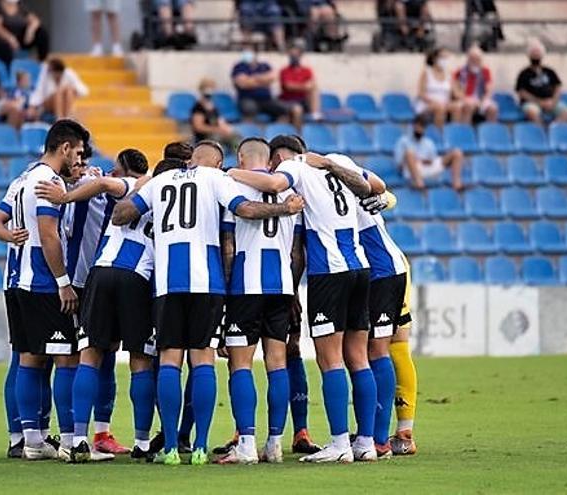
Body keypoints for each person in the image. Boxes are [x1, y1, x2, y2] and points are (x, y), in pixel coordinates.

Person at [111, 141, 305, 466]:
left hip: (168, 283)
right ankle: (201, 447)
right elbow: (245, 209)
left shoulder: (160, 181)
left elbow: (120, 215)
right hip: (209, 282)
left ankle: (171, 448)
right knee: (205, 360)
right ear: (217, 163)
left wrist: (143, 188)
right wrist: (284, 209)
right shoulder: (217, 179)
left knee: (170, 360)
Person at [226, 135, 386, 463]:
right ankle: (366, 442)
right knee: (359, 357)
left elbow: (271, 182)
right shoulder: (340, 159)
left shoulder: (293, 169)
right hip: (360, 266)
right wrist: (329, 164)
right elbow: (378, 186)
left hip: (329, 271)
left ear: (283, 156)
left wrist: (230, 173)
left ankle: (340, 443)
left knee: (331, 361)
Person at [35, 149, 155, 463]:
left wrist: (64, 196)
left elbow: (105, 188)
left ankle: (78, 441)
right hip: (137, 275)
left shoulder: (136, 186)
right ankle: (142, 444)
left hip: (99, 273)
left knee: (90, 355)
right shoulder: (167, 192)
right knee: (140, 359)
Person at [0, 119, 91, 461]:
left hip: (15, 281)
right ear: (64, 148)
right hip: (43, 282)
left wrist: (11, 237)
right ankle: (72, 440)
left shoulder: (22, 179)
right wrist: (64, 283)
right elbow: (49, 235)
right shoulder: (48, 181)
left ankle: (30, 439)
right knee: (67, 358)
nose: (79, 158)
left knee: (27, 358)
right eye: (76, 152)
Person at [213, 138, 301, 465]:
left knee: (241, 365)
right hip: (280, 284)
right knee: (277, 363)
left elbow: (228, 247)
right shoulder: (290, 192)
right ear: (270, 160)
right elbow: (296, 251)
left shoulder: (233, 186)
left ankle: (246, 444)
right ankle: (275, 443)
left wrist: (222, 296)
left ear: (240, 157)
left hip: (246, 284)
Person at [355, 189, 419, 456]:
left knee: (395, 345)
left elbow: (383, 193)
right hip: (369, 271)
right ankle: (373, 432)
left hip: (385, 270)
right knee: (373, 350)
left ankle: (403, 433)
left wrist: (385, 199)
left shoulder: (329, 176)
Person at [232, 48, 302, 127]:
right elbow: (242, 84)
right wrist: (263, 81)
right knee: (249, 110)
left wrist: (251, 79)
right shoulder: (239, 67)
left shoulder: (264, 66)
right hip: (247, 99)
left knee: (286, 111)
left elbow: (272, 78)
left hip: (266, 99)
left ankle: (278, 132)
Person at [395, 114, 464, 190]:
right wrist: (415, 161)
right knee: (409, 153)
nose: (419, 129)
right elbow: (399, 164)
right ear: (413, 126)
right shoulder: (403, 141)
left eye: (422, 126)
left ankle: (457, 184)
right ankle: (419, 183)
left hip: (428, 168)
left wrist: (426, 161)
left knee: (457, 153)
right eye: (418, 126)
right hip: (412, 170)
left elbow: (433, 160)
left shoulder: (428, 143)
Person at [515, 39, 567, 125]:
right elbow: (522, 92)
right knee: (532, 112)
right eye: (533, 52)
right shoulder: (524, 73)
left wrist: (553, 101)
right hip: (532, 103)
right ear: (529, 55)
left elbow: (558, 87)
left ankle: (553, 130)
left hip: (551, 101)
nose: (536, 55)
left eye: (538, 52)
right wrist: (539, 102)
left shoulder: (549, 71)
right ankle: (541, 133)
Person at [0, 0, 50, 68]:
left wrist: (30, 31)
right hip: (1, 38)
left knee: (42, 32)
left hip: (19, 38)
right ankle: (10, 70)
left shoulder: (20, 5)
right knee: (5, 47)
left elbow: (35, 20)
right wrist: (10, 38)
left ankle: (41, 62)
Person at [415, 47, 462, 129]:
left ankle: (454, 135)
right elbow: (421, 93)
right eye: (442, 57)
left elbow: (456, 93)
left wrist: (461, 96)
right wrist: (433, 102)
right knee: (440, 108)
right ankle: (439, 135)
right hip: (427, 104)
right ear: (434, 59)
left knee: (457, 107)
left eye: (446, 58)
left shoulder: (449, 75)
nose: (444, 60)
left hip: (444, 103)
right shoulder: (426, 73)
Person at [453, 44, 498, 124]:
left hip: (481, 99)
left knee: (493, 108)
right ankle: (466, 132)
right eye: (472, 59)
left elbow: (489, 90)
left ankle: (489, 133)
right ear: (468, 59)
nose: (475, 61)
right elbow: (456, 91)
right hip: (465, 99)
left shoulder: (485, 71)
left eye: (477, 59)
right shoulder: (460, 72)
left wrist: (482, 101)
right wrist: (465, 98)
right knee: (468, 106)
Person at [279, 40, 321, 121]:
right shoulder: (284, 70)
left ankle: (315, 113)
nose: (294, 57)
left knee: (314, 89)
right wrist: (304, 86)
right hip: (288, 100)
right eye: (292, 55)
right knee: (297, 110)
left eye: (297, 54)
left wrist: (301, 86)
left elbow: (312, 84)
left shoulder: (307, 70)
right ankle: (298, 132)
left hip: (303, 100)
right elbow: (288, 86)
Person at [190, 79, 238, 148]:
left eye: (212, 88)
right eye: (207, 88)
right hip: (205, 136)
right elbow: (199, 127)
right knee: (217, 138)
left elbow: (220, 120)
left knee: (235, 135)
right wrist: (217, 129)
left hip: (216, 132)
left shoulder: (213, 106)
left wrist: (226, 128)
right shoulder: (198, 107)